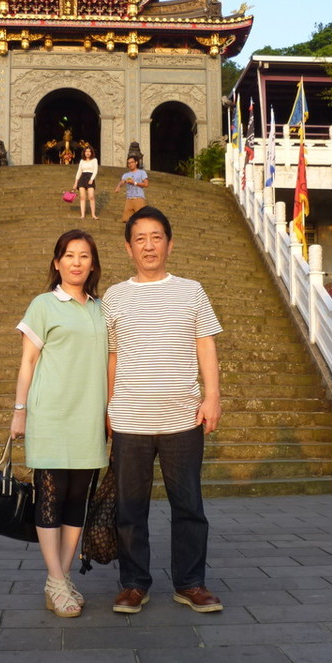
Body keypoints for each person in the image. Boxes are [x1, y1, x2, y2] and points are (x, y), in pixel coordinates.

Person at [102, 206, 224, 614]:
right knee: (129, 509)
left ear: (170, 244)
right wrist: (107, 407)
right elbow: (111, 356)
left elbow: (205, 343)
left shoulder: (192, 290)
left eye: (156, 237)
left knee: (189, 507)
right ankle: (134, 584)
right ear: (128, 248)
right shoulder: (115, 296)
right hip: (129, 419)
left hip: (183, 418)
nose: (149, 246)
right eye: (140, 239)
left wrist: (212, 396)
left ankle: (190, 583)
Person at [10, 230, 108, 618]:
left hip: (89, 417)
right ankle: (55, 579)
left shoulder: (101, 309)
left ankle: (61, 579)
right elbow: (28, 362)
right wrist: (20, 410)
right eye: (69, 255)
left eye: (84, 256)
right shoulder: (44, 304)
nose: (76, 262)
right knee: (50, 497)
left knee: (77, 500)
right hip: (50, 414)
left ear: (93, 264)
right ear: (57, 263)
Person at [114, 154, 148, 222]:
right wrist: (118, 187)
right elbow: (122, 181)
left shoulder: (142, 172)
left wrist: (134, 183)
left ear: (136, 162)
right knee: (127, 220)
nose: (130, 164)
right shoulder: (126, 175)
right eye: (129, 163)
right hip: (129, 199)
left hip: (138, 198)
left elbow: (146, 184)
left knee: (140, 219)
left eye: (132, 162)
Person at [71, 146, 99, 220]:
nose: (87, 153)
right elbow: (79, 172)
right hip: (82, 178)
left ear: (91, 152)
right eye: (86, 151)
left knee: (91, 197)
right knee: (82, 197)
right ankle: (82, 215)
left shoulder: (94, 160)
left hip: (90, 177)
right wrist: (76, 183)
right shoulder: (82, 161)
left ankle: (93, 215)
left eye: (89, 151)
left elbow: (95, 171)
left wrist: (92, 179)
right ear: (84, 153)